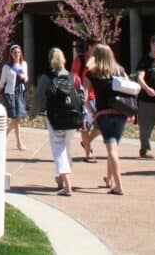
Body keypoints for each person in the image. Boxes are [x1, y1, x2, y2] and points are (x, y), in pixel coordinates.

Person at [30, 47, 81, 195]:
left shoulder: (46, 78)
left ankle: (67, 185)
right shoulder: (73, 77)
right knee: (68, 149)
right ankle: (60, 180)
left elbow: (39, 97)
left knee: (59, 150)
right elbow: (80, 96)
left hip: (55, 118)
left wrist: (33, 113)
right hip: (72, 118)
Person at [87, 44, 129, 195]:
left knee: (111, 150)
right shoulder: (120, 71)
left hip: (104, 114)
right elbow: (130, 89)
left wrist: (92, 112)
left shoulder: (93, 73)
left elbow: (84, 97)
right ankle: (109, 179)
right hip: (121, 113)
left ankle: (118, 186)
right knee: (114, 148)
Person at [72, 40, 102, 163]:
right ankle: (88, 153)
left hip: (99, 96)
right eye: (97, 46)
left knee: (101, 126)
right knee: (85, 126)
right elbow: (74, 76)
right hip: (84, 97)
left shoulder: (100, 60)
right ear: (90, 46)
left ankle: (86, 142)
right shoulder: (80, 59)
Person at [0, 44, 28, 150]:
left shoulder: (24, 64)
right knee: (16, 117)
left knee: (17, 118)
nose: (17, 54)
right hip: (10, 93)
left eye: (19, 52)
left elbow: (26, 78)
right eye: (15, 52)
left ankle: (4, 136)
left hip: (20, 92)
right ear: (11, 54)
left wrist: (24, 76)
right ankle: (19, 143)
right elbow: (2, 82)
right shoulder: (6, 67)